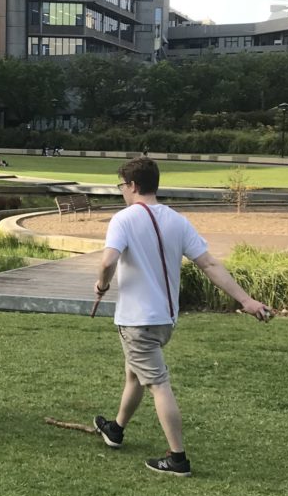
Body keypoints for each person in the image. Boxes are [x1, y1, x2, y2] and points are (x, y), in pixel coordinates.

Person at [90, 157, 273, 477]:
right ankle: (115, 429)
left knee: (158, 384)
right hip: (164, 321)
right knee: (135, 373)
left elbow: (107, 261)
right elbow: (210, 265)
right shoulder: (177, 220)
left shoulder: (123, 219)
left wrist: (102, 284)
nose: (121, 191)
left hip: (137, 321)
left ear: (132, 186)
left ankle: (178, 459)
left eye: (122, 185)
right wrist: (246, 300)